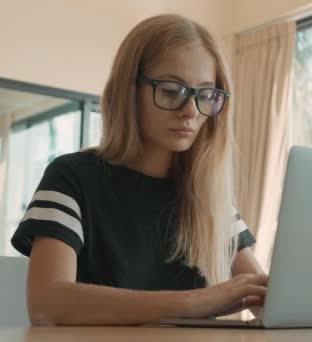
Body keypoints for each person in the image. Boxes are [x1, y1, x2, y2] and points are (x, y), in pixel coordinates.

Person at [10, 14, 267, 326]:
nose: (190, 111)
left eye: (205, 94)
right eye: (172, 90)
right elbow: (47, 304)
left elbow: (264, 297)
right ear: (128, 90)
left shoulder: (209, 196)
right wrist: (192, 302)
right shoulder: (70, 178)